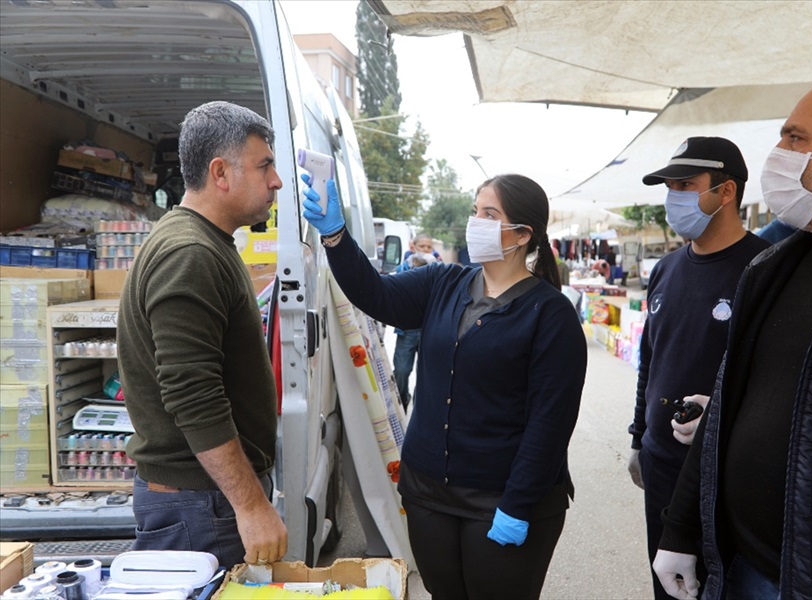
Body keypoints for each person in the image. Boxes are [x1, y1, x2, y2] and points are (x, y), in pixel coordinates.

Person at [654, 71, 812, 600]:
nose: (778, 152)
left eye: (795, 138)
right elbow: (725, 406)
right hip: (742, 565)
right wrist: (682, 526)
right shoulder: (770, 270)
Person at [303, 173, 587, 600]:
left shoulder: (551, 315)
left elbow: (550, 425)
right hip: (429, 496)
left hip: (501, 501)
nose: (476, 222)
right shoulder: (443, 283)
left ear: (523, 234)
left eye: (489, 215)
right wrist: (336, 237)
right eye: (475, 212)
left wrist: (517, 505)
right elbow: (375, 295)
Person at [118, 101, 288, 570]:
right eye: (265, 165)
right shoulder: (189, 253)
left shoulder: (206, 241)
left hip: (206, 500)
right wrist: (251, 506)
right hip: (201, 506)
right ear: (220, 172)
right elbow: (193, 394)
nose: (276, 181)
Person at [626, 136, 771, 599]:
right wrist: (637, 438)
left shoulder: (763, 269)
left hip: (724, 474)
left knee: (718, 588)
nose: (674, 198)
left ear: (726, 192)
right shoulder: (666, 269)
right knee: (667, 589)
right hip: (661, 465)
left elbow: (774, 379)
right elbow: (652, 359)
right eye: (670, 186)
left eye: (686, 184)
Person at [392, 237, 437, 410]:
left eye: (429, 247)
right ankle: (402, 401)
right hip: (408, 329)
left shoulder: (440, 270)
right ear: (413, 247)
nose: (425, 250)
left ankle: (420, 410)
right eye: (422, 246)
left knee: (426, 376)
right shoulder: (403, 269)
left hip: (430, 328)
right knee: (401, 371)